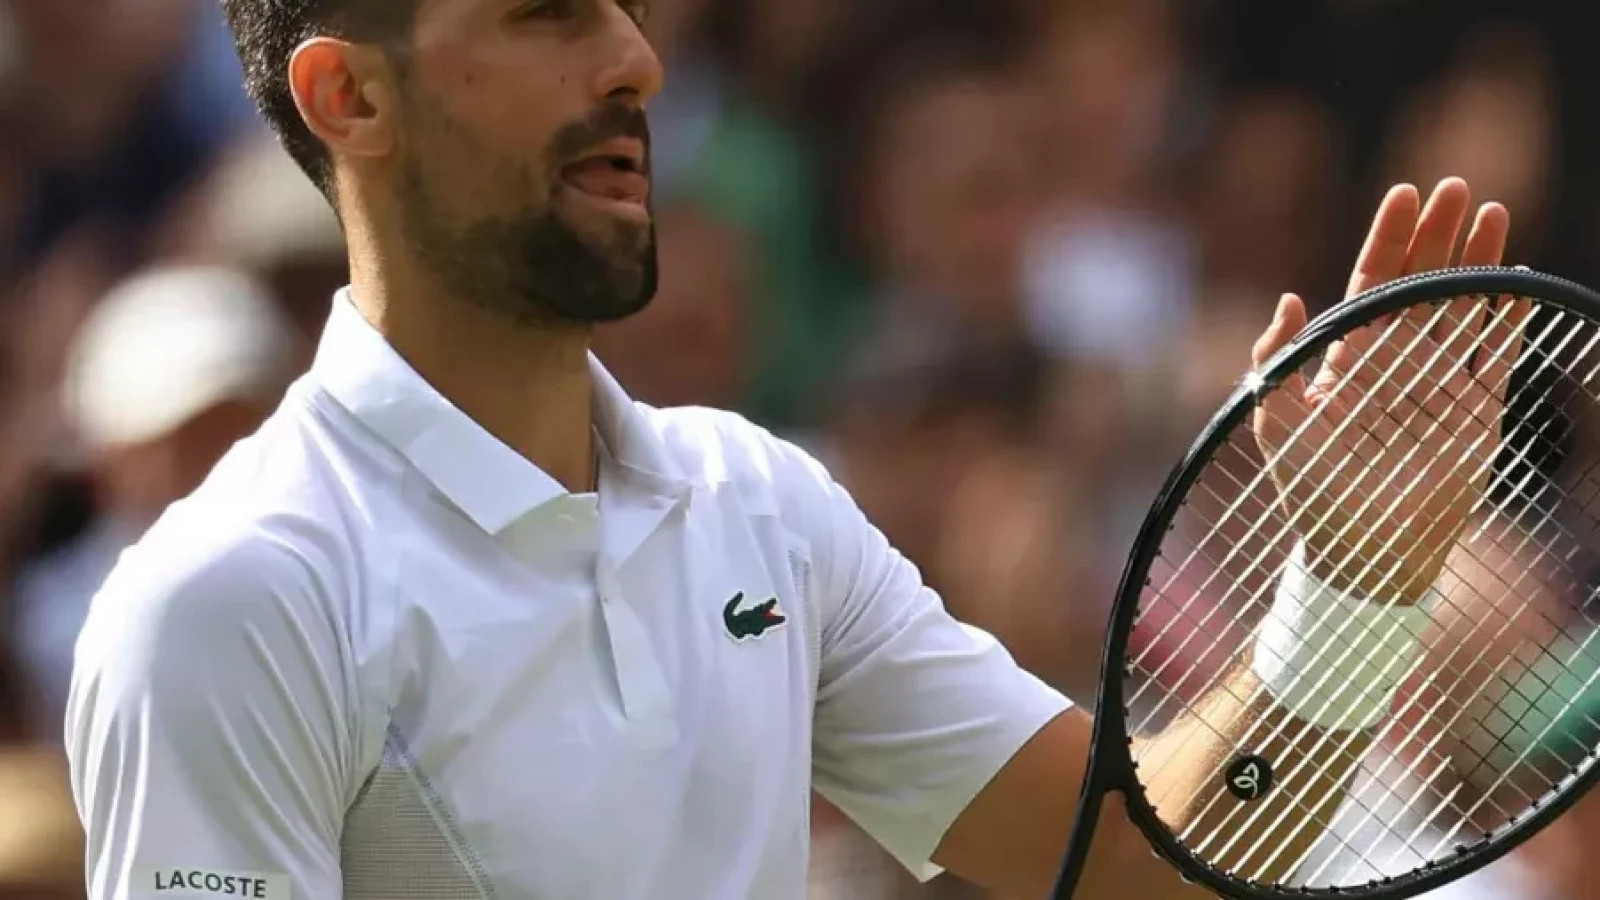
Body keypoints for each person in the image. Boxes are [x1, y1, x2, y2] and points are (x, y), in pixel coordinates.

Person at [62, 1, 1520, 898]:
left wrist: (1352, 591)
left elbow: (1145, 867)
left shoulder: (757, 505)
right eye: (547, 11)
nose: (632, 58)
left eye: (623, 8)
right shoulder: (230, 605)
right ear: (350, 98)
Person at [14, 264, 294, 738]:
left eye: (234, 425)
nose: (214, 458)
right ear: (108, 459)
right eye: (176, 438)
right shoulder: (47, 625)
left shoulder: (349, 580)